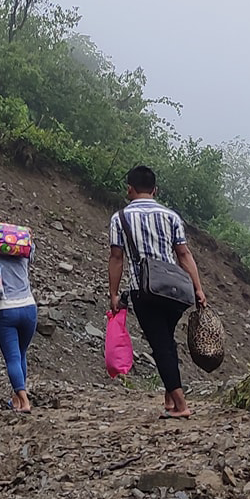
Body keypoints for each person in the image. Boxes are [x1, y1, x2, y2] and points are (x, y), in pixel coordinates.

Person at [107, 165, 209, 418]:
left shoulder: (120, 218)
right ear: (155, 189)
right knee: (167, 341)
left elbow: (116, 258)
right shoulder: (172, 217)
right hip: (176, 290)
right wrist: (198, 288)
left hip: (146, 291)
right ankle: (170, 401)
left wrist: (114, 293)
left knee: (161, 345)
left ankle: (181, 406)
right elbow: (184, 254)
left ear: (129, 189)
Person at [0, 238, 37, 413]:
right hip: (29, 307)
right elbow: (31, 248)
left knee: (12, 358)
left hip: (5, 310)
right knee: (21, 354)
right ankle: (16, 400)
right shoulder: (23, 251)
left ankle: (25, 402)